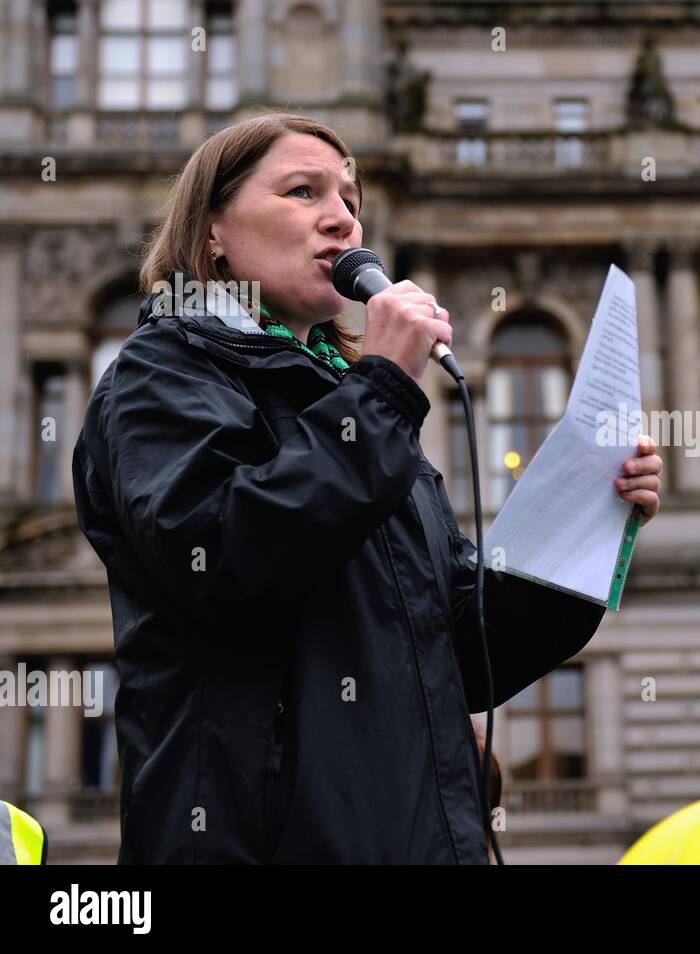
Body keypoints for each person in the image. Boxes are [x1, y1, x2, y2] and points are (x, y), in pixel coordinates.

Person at [71, 113, 663, 864]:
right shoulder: (162, 373)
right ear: (213, 230)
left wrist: (586, 516)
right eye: (302, 190)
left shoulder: (364, 407)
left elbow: (461, 648)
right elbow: (221, 553)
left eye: (351, 201)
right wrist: (381, 389)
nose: (341, 219)